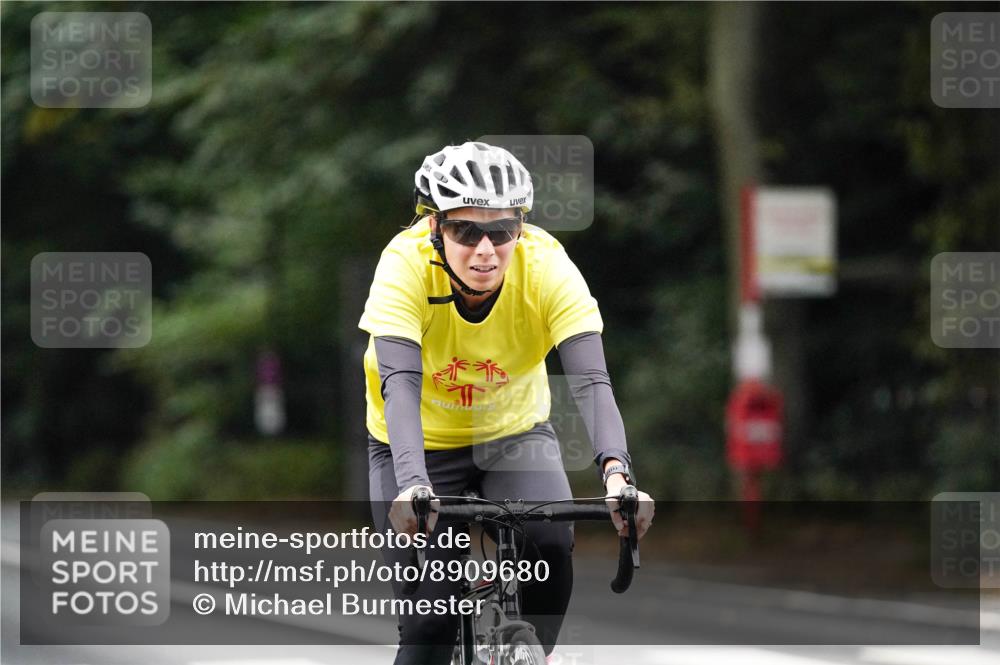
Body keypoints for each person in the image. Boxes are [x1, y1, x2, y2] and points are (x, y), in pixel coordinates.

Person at [359, 141, 654, 665]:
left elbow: (591, 379)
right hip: (415, 447)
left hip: (513, 436)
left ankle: (530, 656)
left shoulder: (546, 266)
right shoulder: (402, 267)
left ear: (521, 229)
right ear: (434, 228)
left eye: (501, 231)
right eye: (465, 231)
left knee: (549, 545)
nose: (485, 248)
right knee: (430, 621)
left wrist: (617, 474)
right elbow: (398, 382)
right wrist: (411, 484)